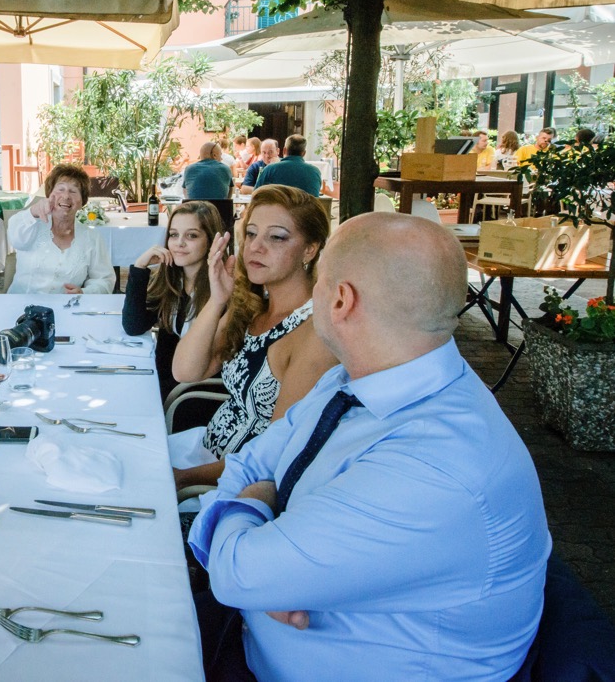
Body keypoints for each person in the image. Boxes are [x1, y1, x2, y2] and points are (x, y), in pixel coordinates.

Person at [189, 212, 549, 682]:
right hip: (247, 633)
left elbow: (238, 572)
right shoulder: (357, 376)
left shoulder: (434, 464)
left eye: (319, 281)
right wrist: (263, 551)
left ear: (340, 300)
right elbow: (250, 460)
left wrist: (255, 520)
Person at [170, 185, 336, 491]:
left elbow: (275, 454)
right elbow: (185, 371)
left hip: (231, 485)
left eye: (276, 237)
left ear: (310, 249)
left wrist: (182, 479)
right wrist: (218, 300)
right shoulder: (254, 307)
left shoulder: (313, 333)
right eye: (251, 234)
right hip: (201, 452)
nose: (255, 248)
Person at [122, 202, 225, 401]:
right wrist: (139, 267)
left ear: (211, 240)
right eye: (174, 234)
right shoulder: (171, 280)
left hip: (189, 394)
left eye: (192, 235)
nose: (179, 243)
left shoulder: (220, 291)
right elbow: (133, 325)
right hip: (161, 380)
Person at [8, 163, 114, 294]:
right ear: (49, 194)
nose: (66, 196)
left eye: (74, 191)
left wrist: (84, 292)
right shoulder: (32, 224)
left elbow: (104, 280)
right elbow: (14, 237)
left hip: (68, 308)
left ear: (82, 201)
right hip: (22, 307)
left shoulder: (92, 237)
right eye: (60, 189)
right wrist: (33, 212)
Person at [253, 135, 322, 196]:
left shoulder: (270, 169)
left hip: (278, 210)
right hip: (305, 210)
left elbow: (256, 195)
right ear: (304, 153)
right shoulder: (315, 172)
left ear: (284, 150)